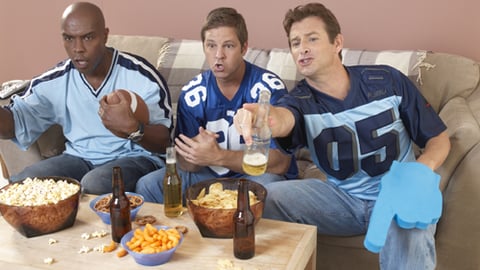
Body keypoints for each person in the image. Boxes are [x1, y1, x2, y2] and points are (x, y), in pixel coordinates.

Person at [234, 3, 450, 269]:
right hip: (341, 199)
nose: (302, 48)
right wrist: (262, 118)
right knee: (267, 197)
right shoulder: (299, 100)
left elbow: (439, 138)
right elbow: (282, 118)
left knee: (409, 224)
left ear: (337, 43)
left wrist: (421, 169)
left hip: (396, 194)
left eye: (312, 39)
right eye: (295, 43)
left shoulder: (387, 81)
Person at [1, 2, 172, 194]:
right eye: (69, 38)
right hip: (78, 158)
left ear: (105, 35)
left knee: (95, 183)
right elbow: (14, 124)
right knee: (24, 184)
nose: (78, 48)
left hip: (136, 158)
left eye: (87, 37)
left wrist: (133, 128)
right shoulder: (56, 80)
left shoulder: (140, 75)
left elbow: (166, 141)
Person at [136, 7, 296, 203]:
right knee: (148, 185)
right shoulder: (193, 93)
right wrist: (195, 153)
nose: (219, 55)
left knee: (268, 187)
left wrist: (218, 156)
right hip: (208, 175)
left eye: (228, 46)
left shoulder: (267, 89)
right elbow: (186, 164)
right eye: (211, 46)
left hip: (255, 176)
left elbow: (281, 163)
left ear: (244, 48)